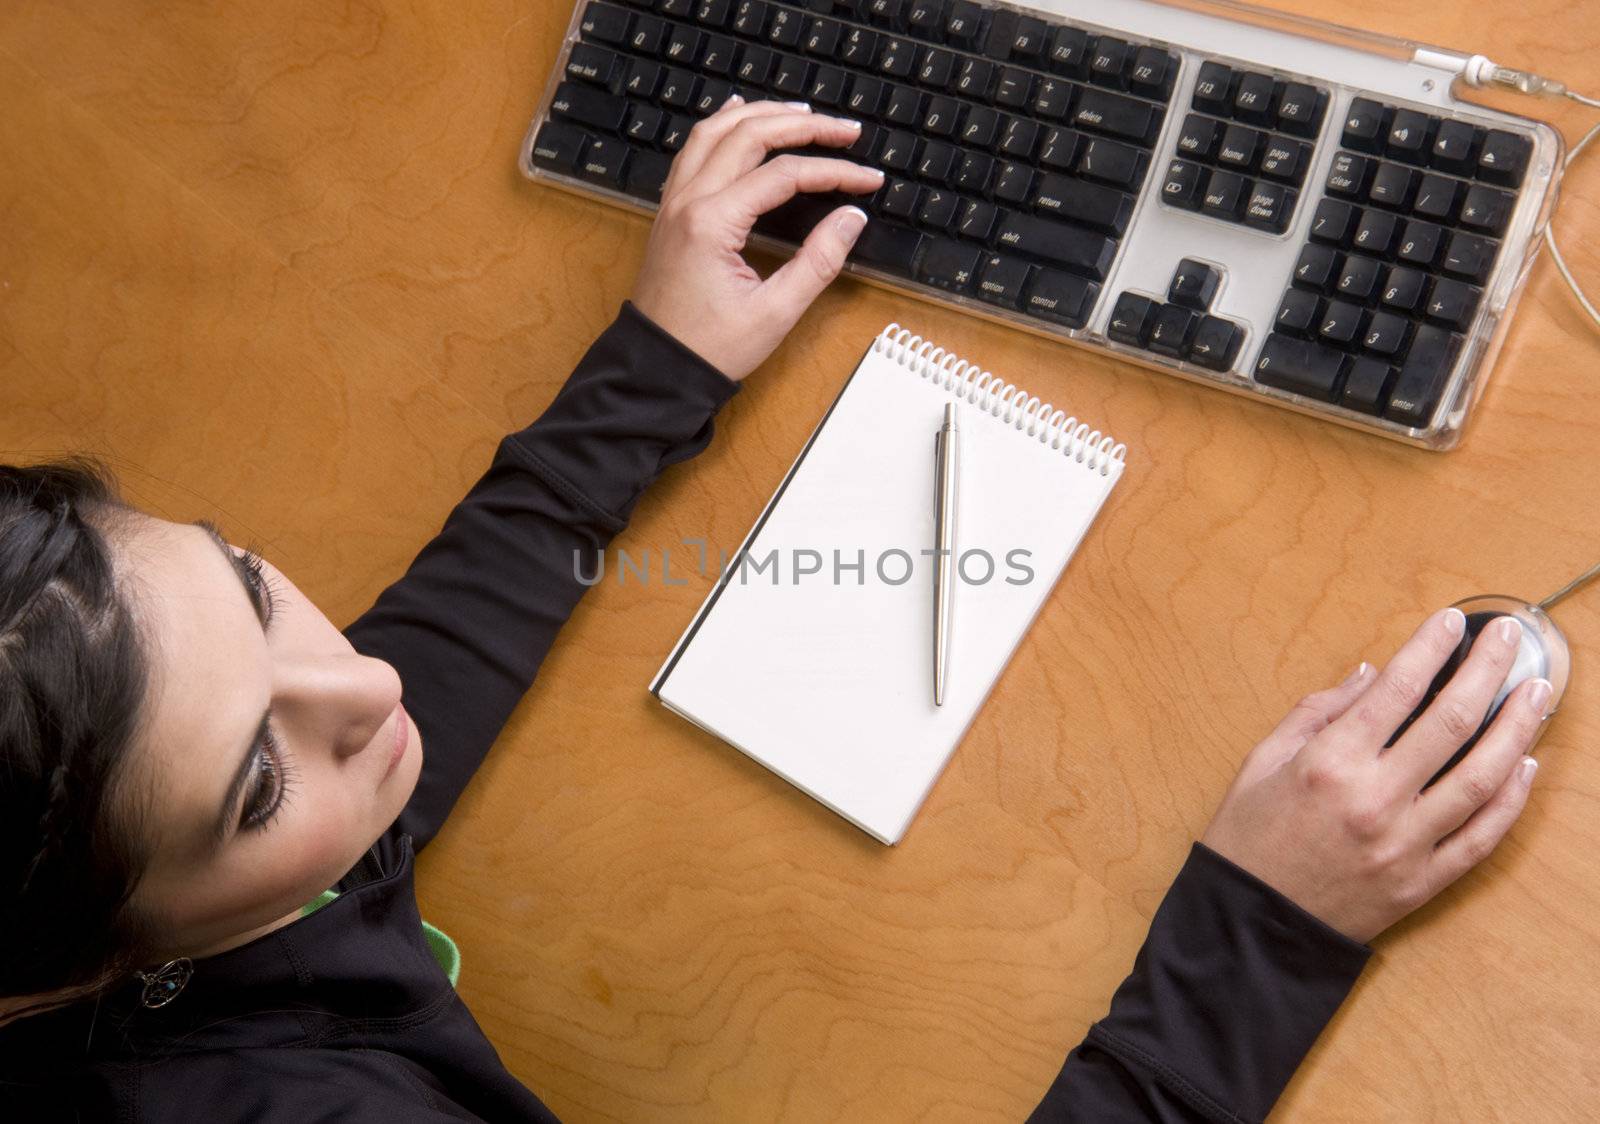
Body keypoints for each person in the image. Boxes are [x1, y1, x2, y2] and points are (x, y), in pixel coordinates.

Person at [0, 97, 1546, 1122]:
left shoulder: (141, 871)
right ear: (70, 977)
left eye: (257, 588)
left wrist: (652, 372)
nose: (370, 692)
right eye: (261, 781)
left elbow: (336, 730)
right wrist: (1261, 934)